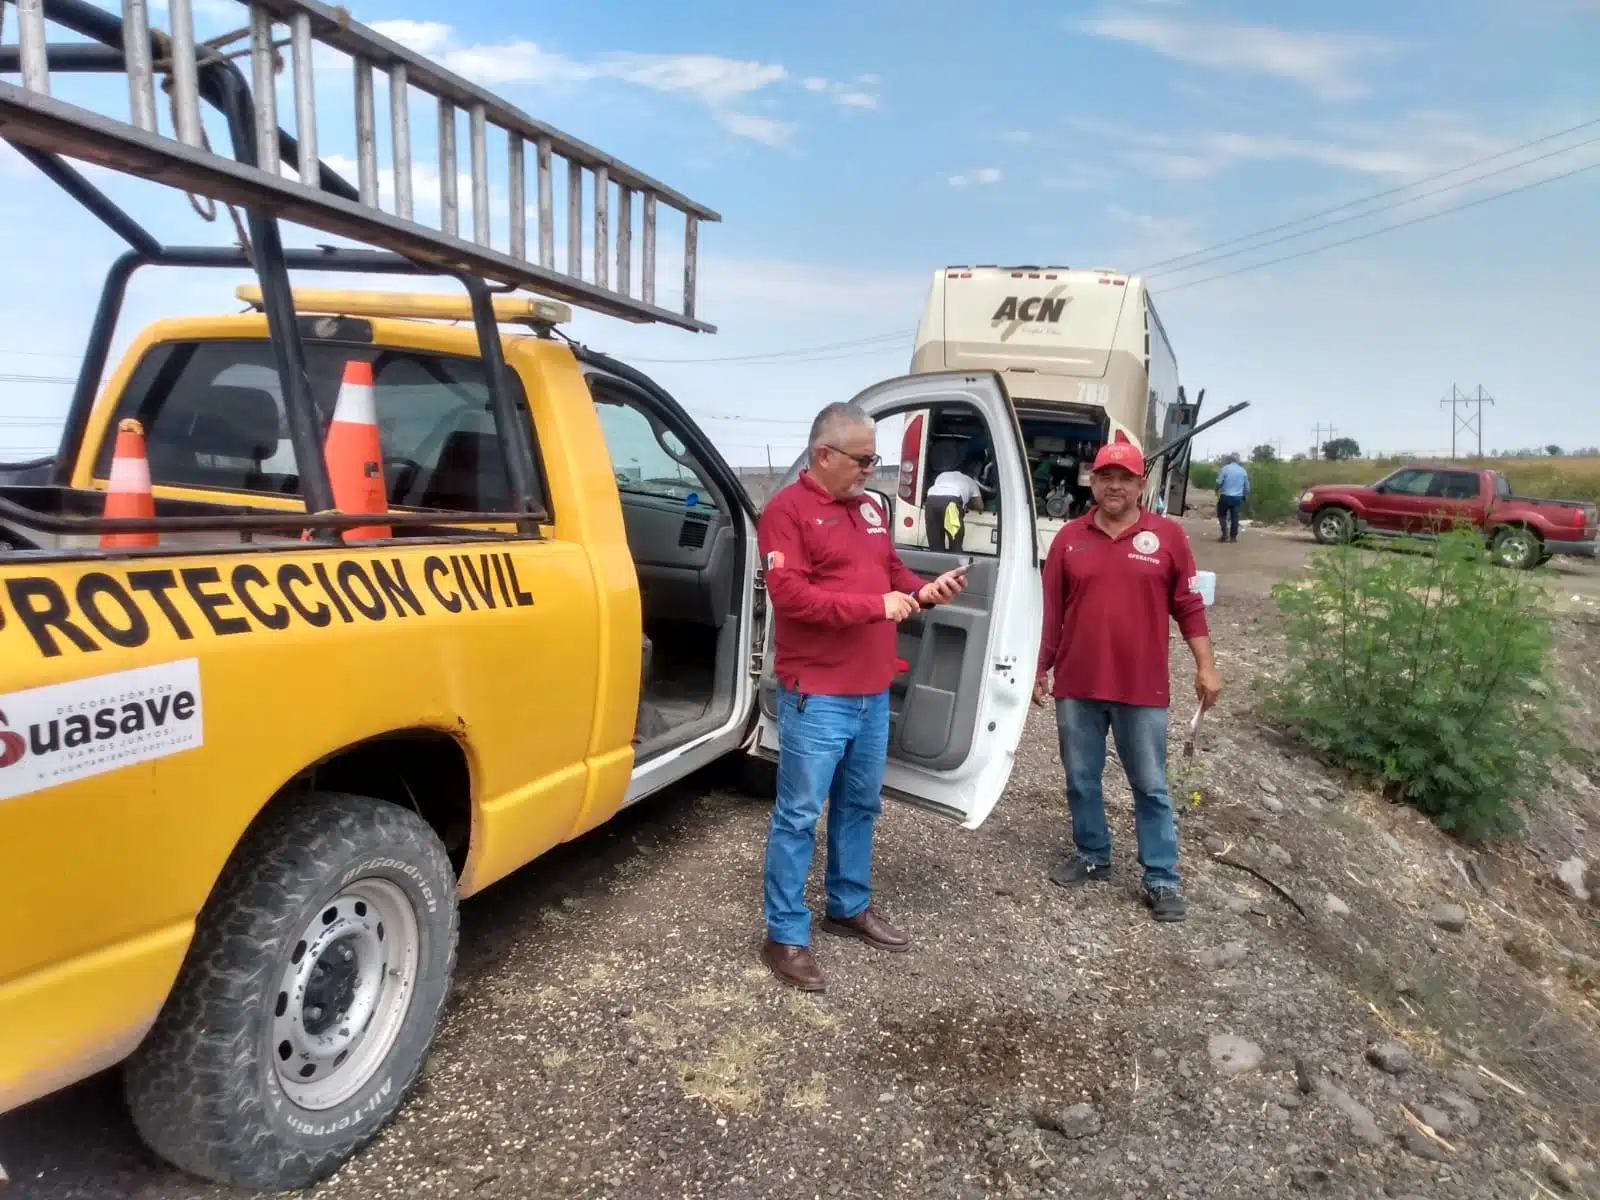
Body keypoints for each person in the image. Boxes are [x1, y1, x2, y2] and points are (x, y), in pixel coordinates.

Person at [756, 402, 970, 991]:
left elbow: (890, 570)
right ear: (824, 455)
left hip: (871, 690)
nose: (871, 471)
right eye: (863, 460)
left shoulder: (870, 509)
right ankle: (785, 934)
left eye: (875, 460)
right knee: (798, 816)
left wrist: (925, 591)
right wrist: (874, 607)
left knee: (860, 806)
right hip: (818, 693)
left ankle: (848, 904)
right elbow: (792, 598)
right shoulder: (785, 514)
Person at [1033, 440, 1221, 923]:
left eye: (1126, 478)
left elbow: (1189, 606)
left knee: (1151, 785)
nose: (1114, 486)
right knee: (1080, 778)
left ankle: (1161, 876)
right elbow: (1050, 613)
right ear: (1091, 481)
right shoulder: (1069, 539)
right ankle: (1093, 854)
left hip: (1142, 687)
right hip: (1077, 682)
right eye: (1105, 477)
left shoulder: (1168, 537)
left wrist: (1206, 666)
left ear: (1142, 485)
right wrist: (1038, 667)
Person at [924, 456, 985, 552]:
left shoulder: (942, 475)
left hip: (931, 500)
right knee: (955, 541)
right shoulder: (971, 482)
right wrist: (968, 504)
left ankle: (936, 564)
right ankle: (955, 563)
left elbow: (939, 491)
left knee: (935, 542)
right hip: (952, 502)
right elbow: (980, 506)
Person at [1215, 453, 1249, 542]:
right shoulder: (1243, 471)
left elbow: (1219, 482)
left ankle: (1224, 534)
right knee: (1235, 517)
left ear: (1230, 459)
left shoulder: (1225, 469)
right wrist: (1245, 495)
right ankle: (1233, 537)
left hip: (1225, 496)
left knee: (1221, 515)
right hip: (1238, 498)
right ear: (1238, 460)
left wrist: (1216, 490)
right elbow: (1246, 487)